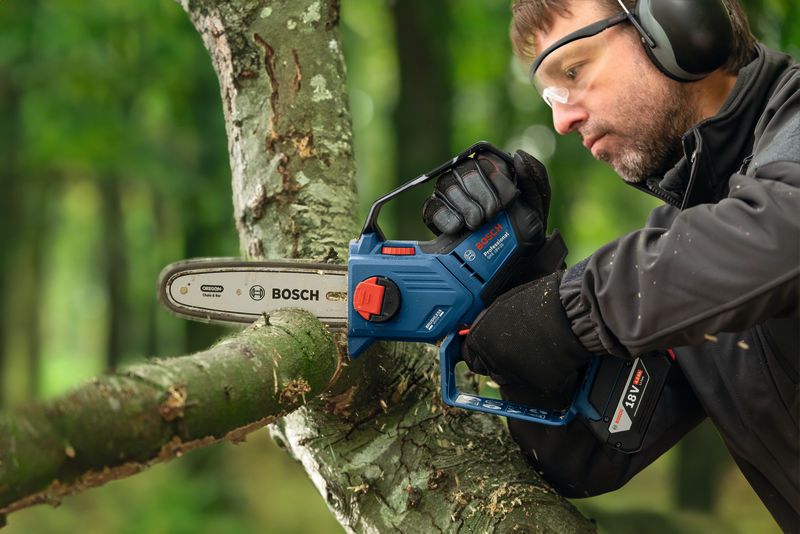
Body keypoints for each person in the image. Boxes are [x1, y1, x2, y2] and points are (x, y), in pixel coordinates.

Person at [422, 0, 799, 529]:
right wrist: (518, 282)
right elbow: (592, 454)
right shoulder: (683, 258)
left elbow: (781, 234)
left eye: (573, 70)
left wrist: (572, 308)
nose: (561, 119)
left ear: (677, 23)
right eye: (550, 92)